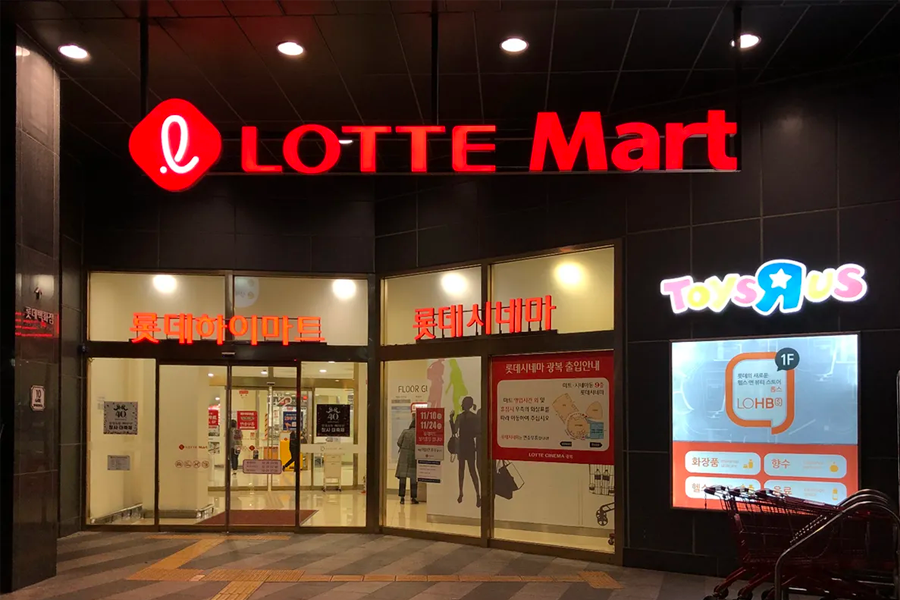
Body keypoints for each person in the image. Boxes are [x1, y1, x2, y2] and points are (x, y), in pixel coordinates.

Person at [450, 396, 481, 507]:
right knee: (473, 471)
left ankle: (461, 492)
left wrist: (450, 419)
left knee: (461, 470)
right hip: (470, 445)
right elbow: (478, 432)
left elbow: (454, 431)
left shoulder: (460, 417)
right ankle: (478, 494)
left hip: (462, 445)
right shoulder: (474, 417)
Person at [395, 418, 418, 504]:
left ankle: (402, 498)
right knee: (413, 479)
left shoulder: (405, 432)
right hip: (413, 456)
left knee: (402, 478)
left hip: (404, 456)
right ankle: (413, 497)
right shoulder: (418, 433)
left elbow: (398, 442)